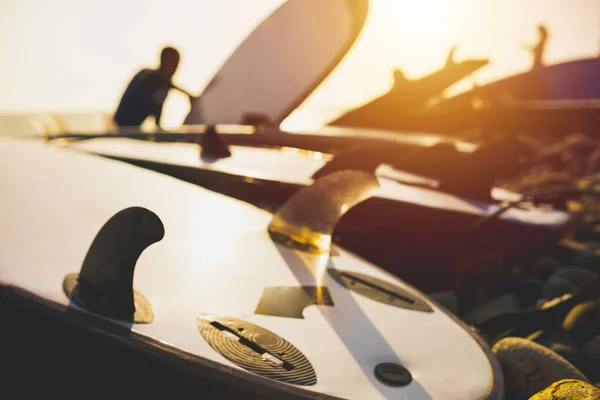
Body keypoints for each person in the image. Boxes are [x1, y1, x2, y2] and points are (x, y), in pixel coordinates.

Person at [113, 46, 195, 128]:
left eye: (177, 64)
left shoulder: (163, 89)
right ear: (163, 61)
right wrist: (186, 94)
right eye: (173, 63)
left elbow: (157, 118)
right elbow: (156, 78)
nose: (175, 68)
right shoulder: (146, 75)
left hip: (133, 130)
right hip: (118, 127)